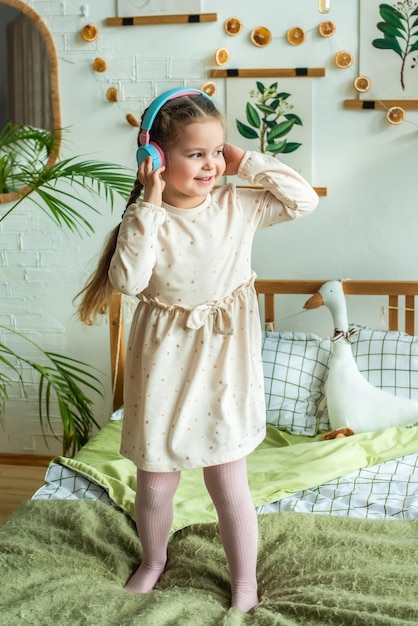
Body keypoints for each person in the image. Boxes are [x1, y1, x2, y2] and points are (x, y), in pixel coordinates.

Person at [76, 87, 319, 613]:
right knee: (157, 482)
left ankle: (244, 581)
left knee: (228, 479)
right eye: (197, 153)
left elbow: (304, 200)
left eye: (217, 151)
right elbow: (128, 280)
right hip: (165, 363)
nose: (211, 164)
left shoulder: (239, 203)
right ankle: (154, 560)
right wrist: (150, 201)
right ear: (156, 159)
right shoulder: (149, 220)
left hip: (225, 364)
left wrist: (245, 160)